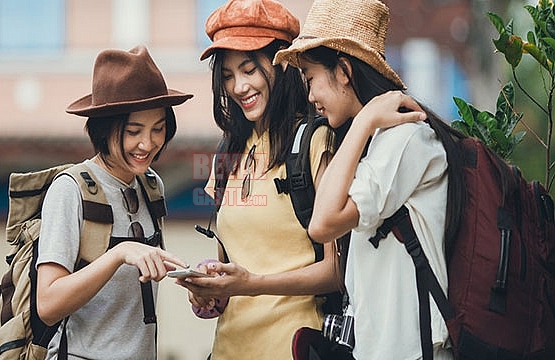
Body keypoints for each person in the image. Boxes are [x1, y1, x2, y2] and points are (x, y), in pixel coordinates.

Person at [274, 0, 468, 359]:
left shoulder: (406, 139)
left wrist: (364, 121)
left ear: (344, 70)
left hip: (415, 350)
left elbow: (322, 224)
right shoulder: (377, 142)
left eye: (312, 79)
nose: (310, 95)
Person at [174, 1, 343, 359]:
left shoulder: (314, 142)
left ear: (282, 65)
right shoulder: (227, 154)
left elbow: (335, 270)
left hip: (294, 347)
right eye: (228, 76)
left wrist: (253, 285)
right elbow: (230, 264)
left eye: (249, 70)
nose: (238, 87)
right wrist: (207, 290)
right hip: (227, 350)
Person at [35, 45, 193, 359]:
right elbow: (48, 305)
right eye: (134, 131)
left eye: (158, 129)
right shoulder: (71, 190)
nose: (147, 144)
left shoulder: (151, 186)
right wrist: (118, 254)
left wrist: (192, 284)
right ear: (105, 129)